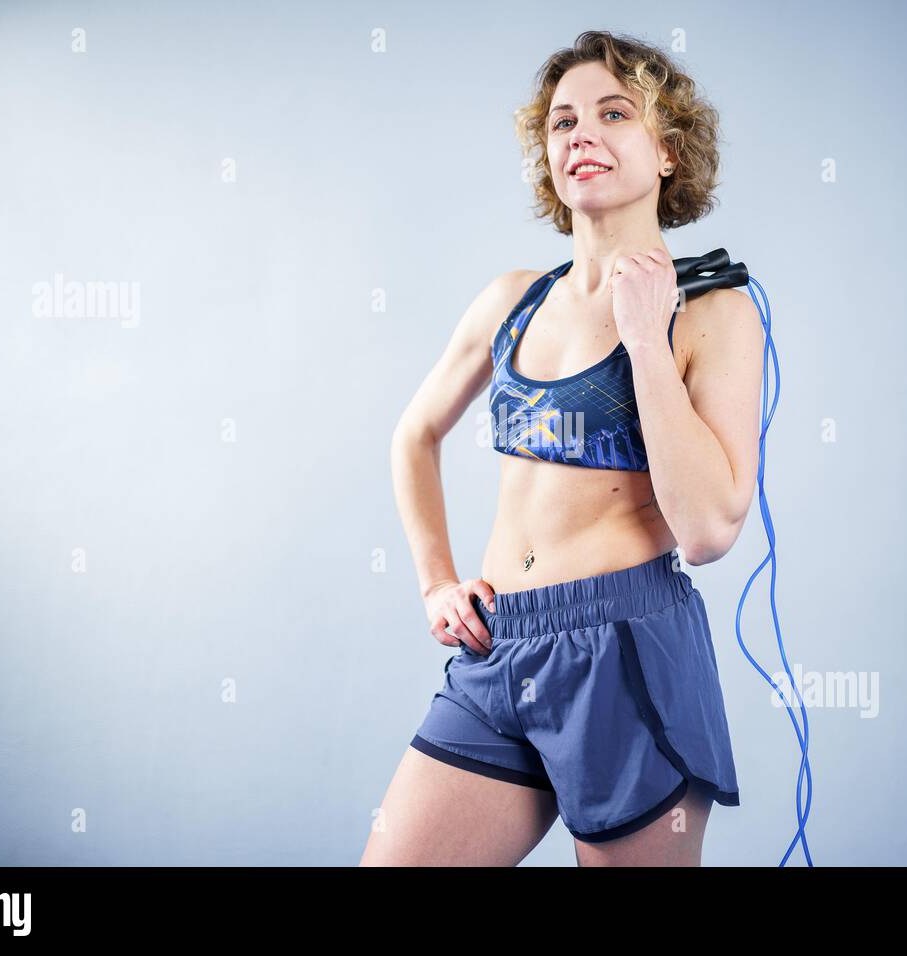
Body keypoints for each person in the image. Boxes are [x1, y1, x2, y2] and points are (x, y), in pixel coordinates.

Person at [360, 30, 764, 867]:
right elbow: (415, 433)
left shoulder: (714, 314)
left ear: (666, 150)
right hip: (499, 645)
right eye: (562, 121)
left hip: (625, 653)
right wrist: (437, 579)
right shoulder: (512, 299)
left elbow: (708, 532)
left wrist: (646, 341)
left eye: (614, 114)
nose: (580, 133)